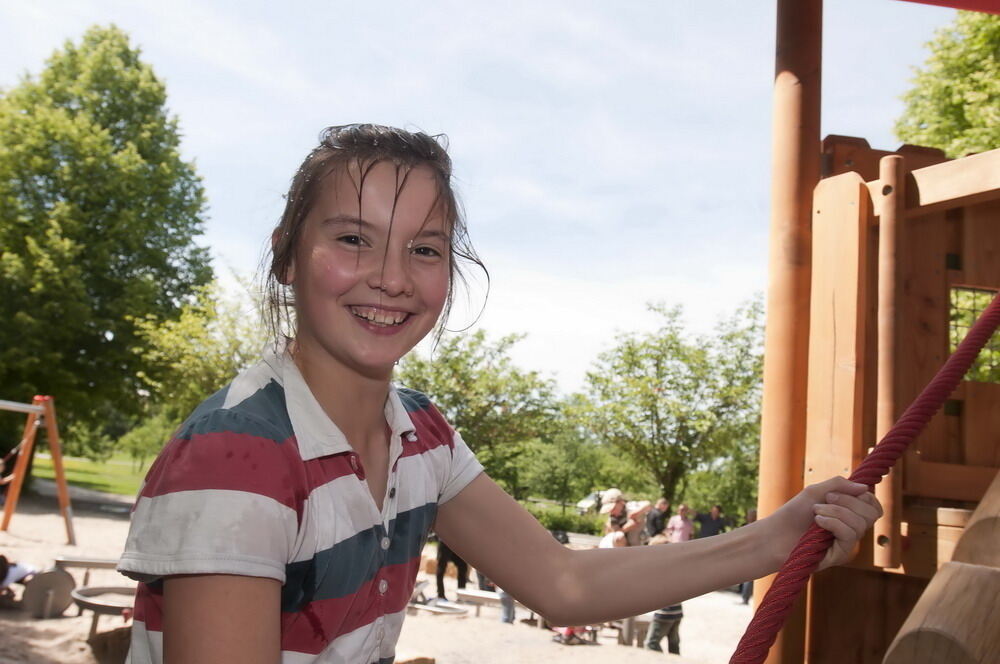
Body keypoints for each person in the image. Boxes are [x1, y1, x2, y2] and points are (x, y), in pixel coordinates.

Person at [117, 124, 883, 664]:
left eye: (424, 250)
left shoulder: (420, 434)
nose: (391, 276)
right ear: (288, 258)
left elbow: (563, 580)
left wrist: (772, 541)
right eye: (353, 239)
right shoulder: (238, 454)